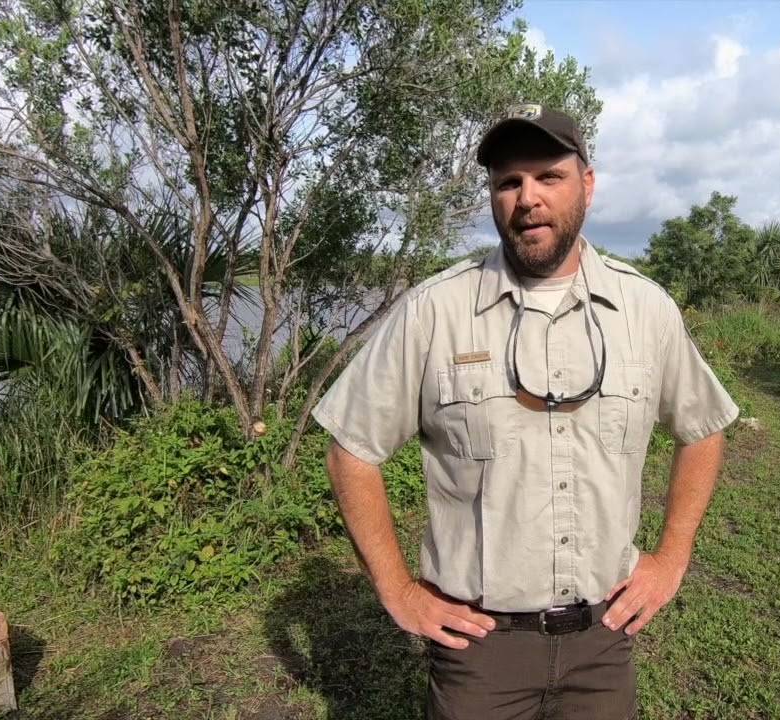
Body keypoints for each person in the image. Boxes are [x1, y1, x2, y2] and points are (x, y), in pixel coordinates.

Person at [313, 103, 739, 719]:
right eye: (508, 182)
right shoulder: (433, 312)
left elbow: (702, 429)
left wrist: (672, 558)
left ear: (586, 185)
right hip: (478, 650)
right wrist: (399, 590)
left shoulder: (647, 311)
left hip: (603, 642)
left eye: (548, 177)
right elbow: (351, 449)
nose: (527, 198)